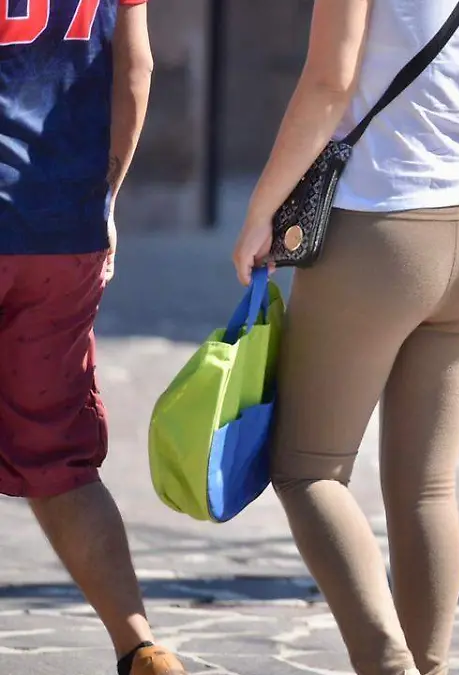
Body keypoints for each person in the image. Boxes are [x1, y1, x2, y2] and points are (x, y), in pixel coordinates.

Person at [229, 0, 459, 673]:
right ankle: (430, 665)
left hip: (379, 228)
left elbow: (329, 84)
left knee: (307, 469)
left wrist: (261, 212)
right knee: (426, 486)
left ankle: (386, 664)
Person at [0, 2, 185, 674]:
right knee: (62, 460)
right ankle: (141, 646)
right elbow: (135, 70)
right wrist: (102, 198)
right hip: (62, 232)